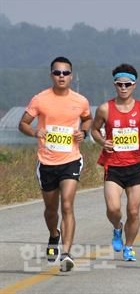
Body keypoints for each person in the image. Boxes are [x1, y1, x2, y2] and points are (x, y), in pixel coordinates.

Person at [18, 56, 92, 272]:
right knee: (51, 210)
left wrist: (83, 132)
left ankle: (67, 254)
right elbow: (22, 123)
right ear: (51, 75)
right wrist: (34, 131)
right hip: (46, 162)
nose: (62, 76)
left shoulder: (80, 100)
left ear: (71, 75)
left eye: (66, 73)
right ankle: (53, 235)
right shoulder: (40, 99)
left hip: (71, 160)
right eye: (57, 72)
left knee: (67, 205)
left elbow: (87, 118)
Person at [90, 64, 140, 262]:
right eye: (120, 84)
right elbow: (94, 130)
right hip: (113, 165)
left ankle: (129, 246)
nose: (123, 87)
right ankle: (117, 228)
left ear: (134, 85)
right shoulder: (105, 108)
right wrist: (103, 141)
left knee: (133, 211)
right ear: (115, 85)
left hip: (135, 166)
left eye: (127, 84)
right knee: (113, 209)